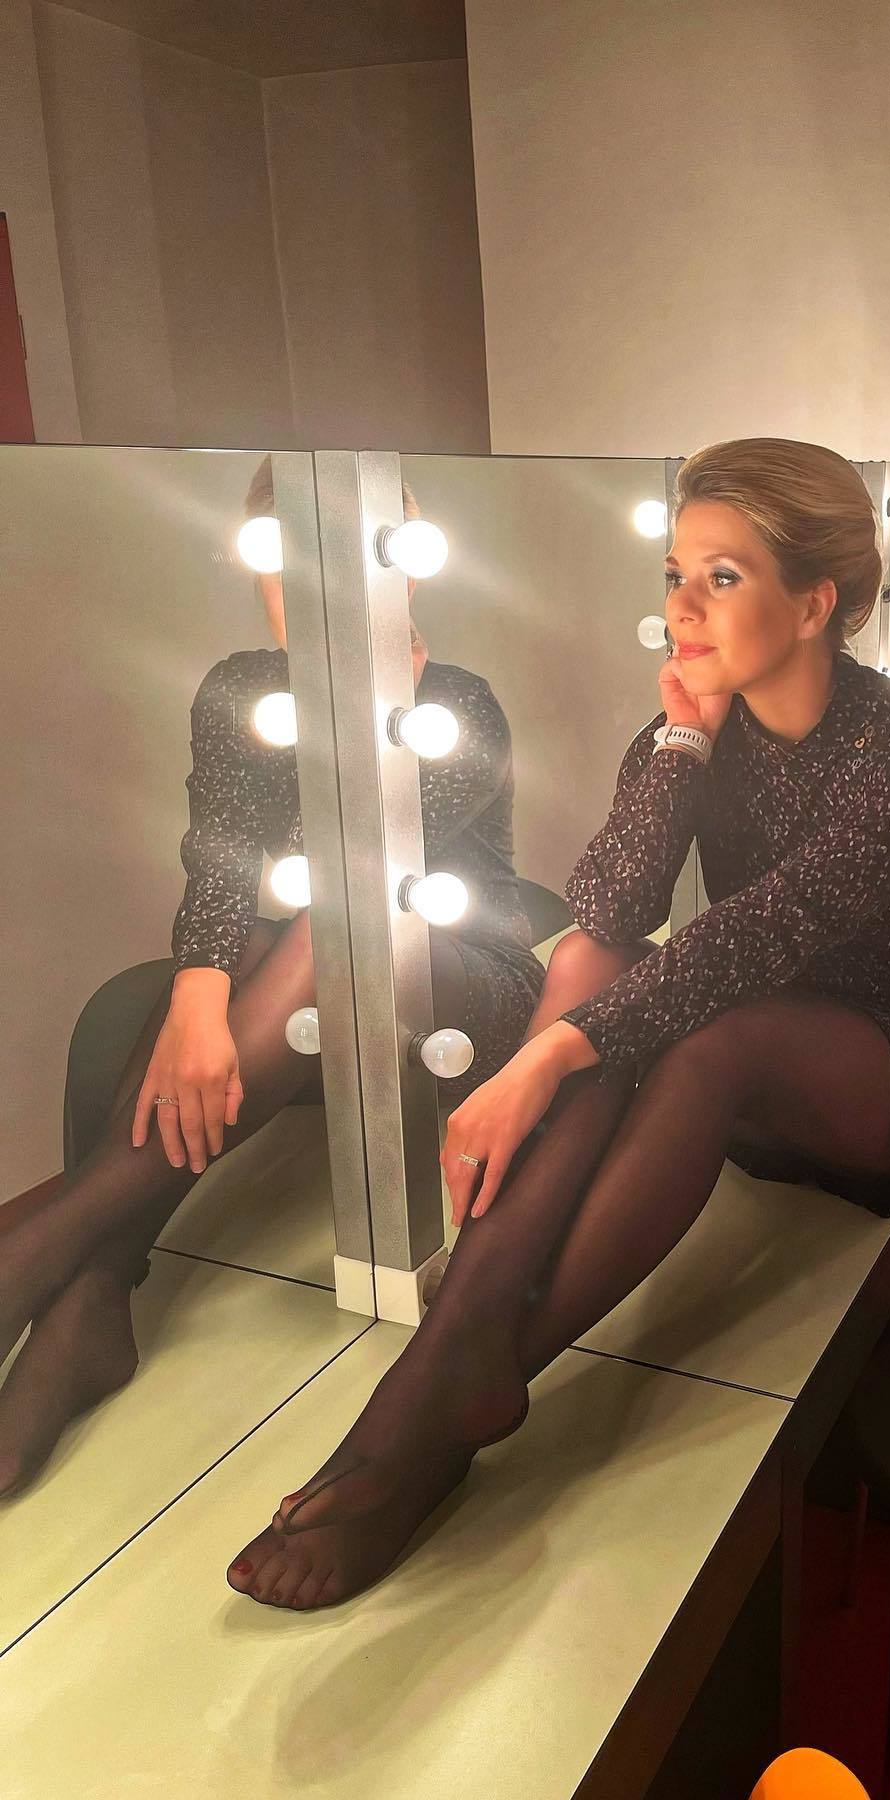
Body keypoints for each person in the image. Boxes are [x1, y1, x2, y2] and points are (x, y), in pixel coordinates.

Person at [223, 436, 890, 1612]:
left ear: (815, 602)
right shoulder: (693, 732)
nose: (681, 609)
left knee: (710, 1029)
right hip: (739, 1053)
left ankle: (439, 1408)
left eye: (722, 578)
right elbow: (608, 906)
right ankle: (465, 1354)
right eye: (675, 576)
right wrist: (682, 741)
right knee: (595, 959)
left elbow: (773, 929)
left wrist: (544, 1057)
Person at [0, 460, 543, 1496]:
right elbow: (222, 860)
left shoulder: (455, 704)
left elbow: (353, 868)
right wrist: (199, 992)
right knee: (258, 950)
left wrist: (213, 981)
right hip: (307, 958)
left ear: (400, 569)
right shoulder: (239, 688)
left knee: (334, 924)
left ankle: (38, 1260)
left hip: (459, 976)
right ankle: (87, 1301)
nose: (305, 592)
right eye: (279, 563)